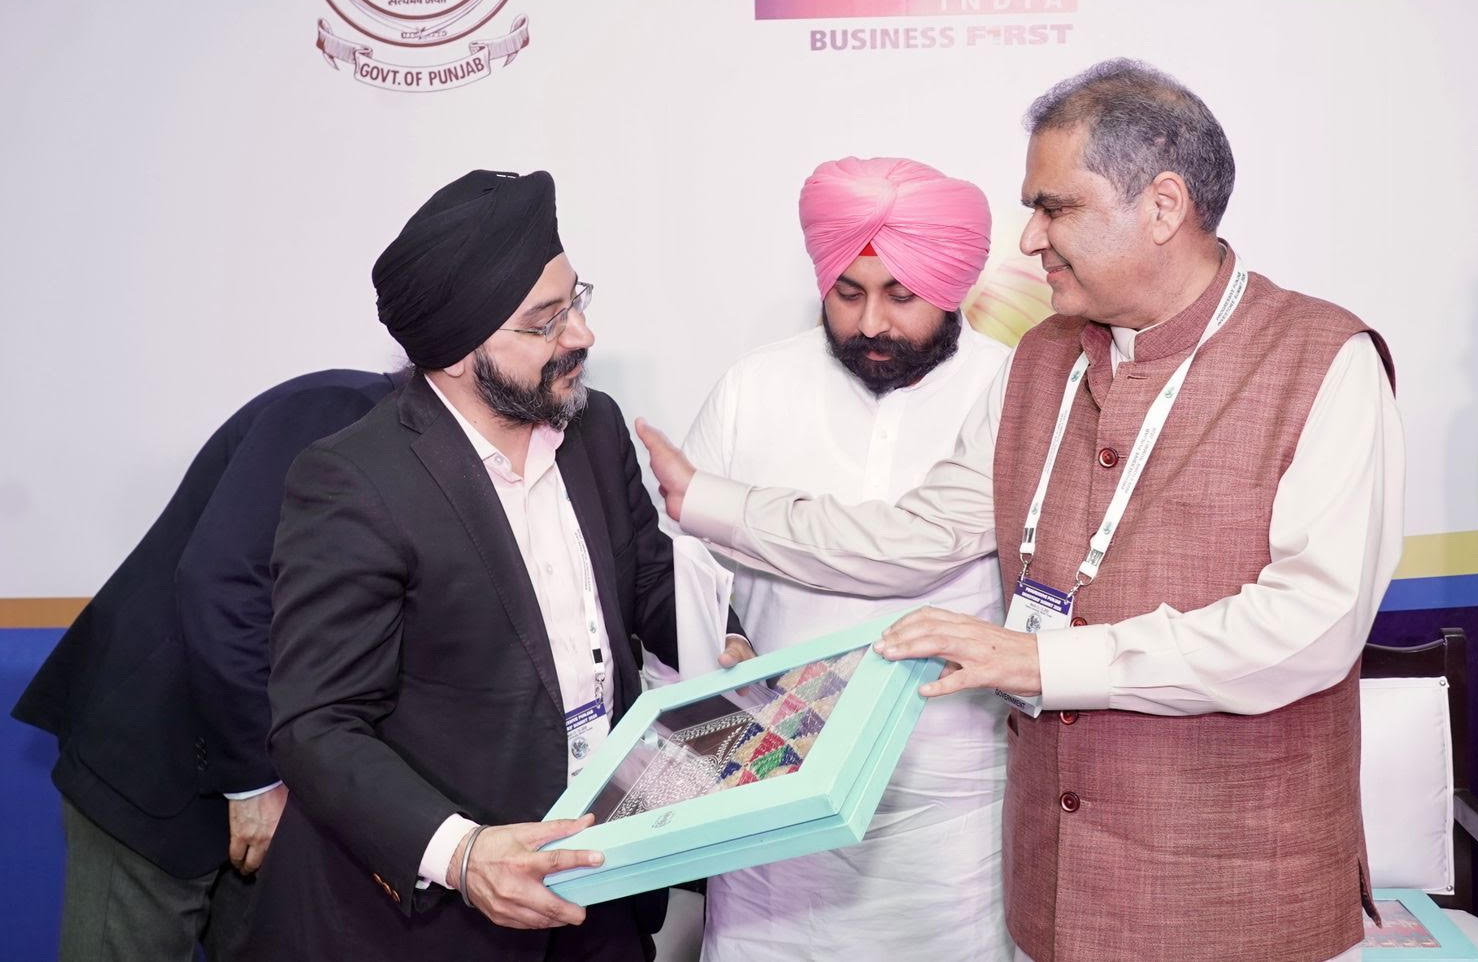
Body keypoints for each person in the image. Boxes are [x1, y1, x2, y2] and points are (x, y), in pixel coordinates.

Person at [638, 60, 1404, 962]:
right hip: (1056, 890)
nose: (1031, 238)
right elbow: (921, 534)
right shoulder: (1043, 359)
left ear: (1162, 207)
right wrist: (710, 501)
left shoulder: (1324, 360)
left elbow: (1312, 627)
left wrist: (1046, 661)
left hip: (1239, 894)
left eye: (1055, 208)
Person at [248, 169, 752, 961]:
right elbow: (318, 724)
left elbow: (647, 575)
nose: (581, 335)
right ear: (456, 354)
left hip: (602, 890)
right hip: (439, 923)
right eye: (545, 322)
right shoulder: (357, 481)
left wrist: (728, 644)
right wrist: (463, 853)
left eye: (575, 301)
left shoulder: (593, 428)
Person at [683, 156, 1012, 960]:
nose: (871, 323)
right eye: (847, 292)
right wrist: (721, 648)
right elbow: (683, 576)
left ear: (953, 285)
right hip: (773, 801)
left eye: (901, 295)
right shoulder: (753, 387)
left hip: (954, 814)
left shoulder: (1012, 391)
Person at [11, 368, 404, 961]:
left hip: (293, 786)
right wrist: (255, 782)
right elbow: (223, 586)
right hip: (163, 757)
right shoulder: (339, 409)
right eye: (536, 327)